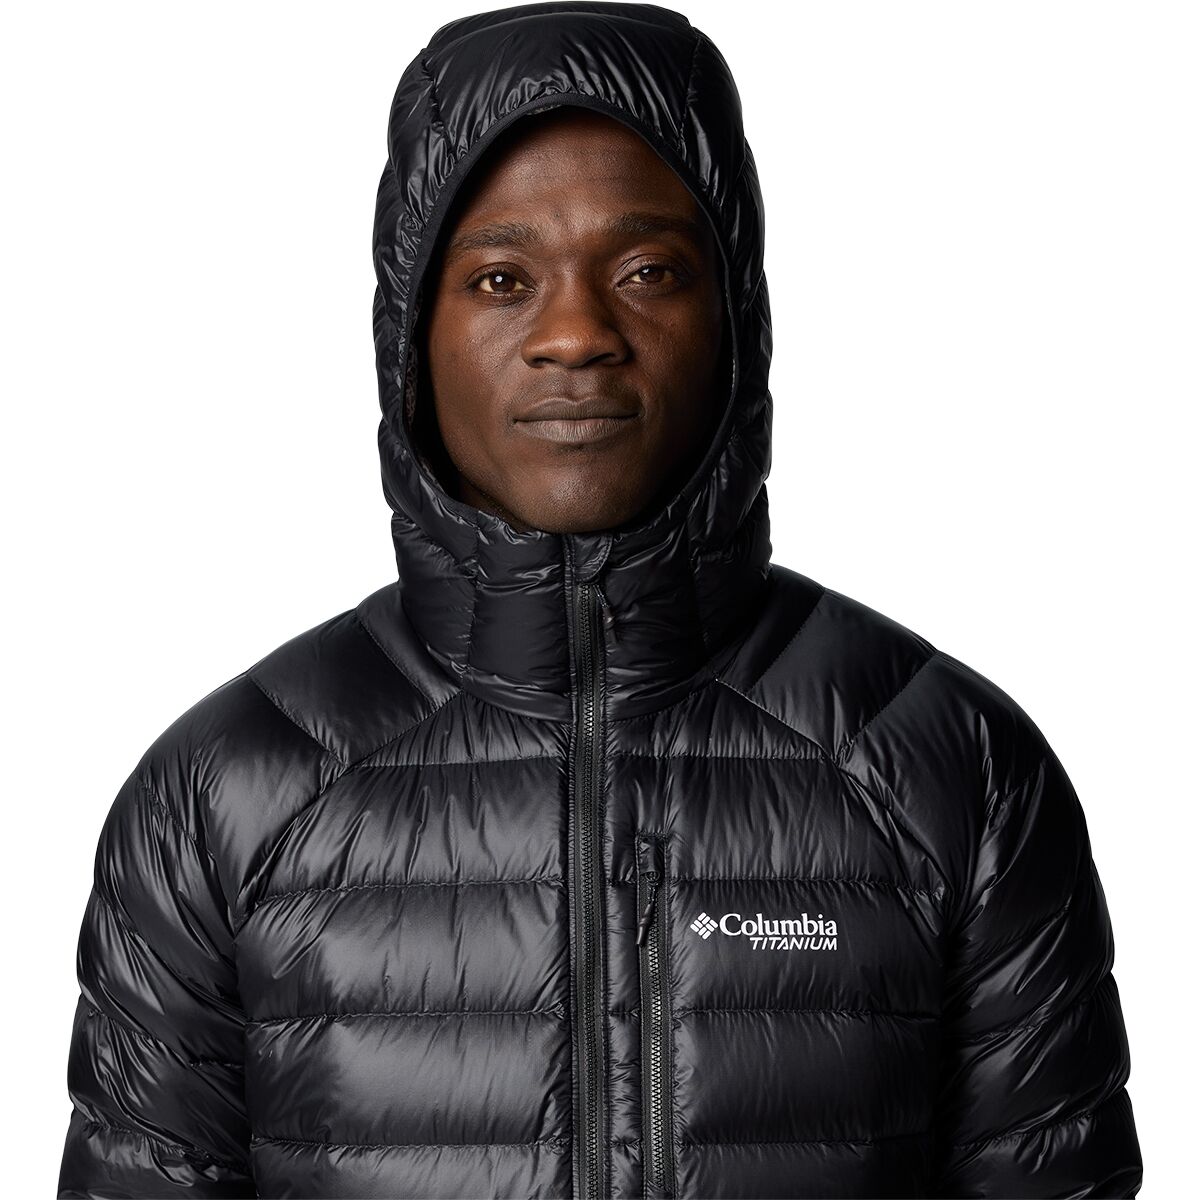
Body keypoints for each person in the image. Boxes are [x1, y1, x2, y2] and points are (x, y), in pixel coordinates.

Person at [57, 3, 1142, 1197]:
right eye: (501, 278)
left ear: (737, 319)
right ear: (410, 335)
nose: (576, 334)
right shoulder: (223, 795)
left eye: (647, 272)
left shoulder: (951, 770)